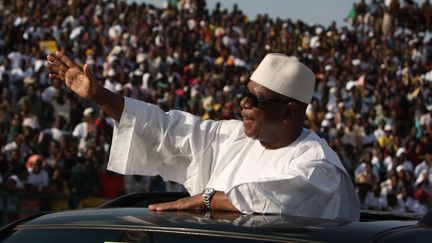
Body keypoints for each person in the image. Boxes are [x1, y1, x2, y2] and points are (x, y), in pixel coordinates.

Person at [47, 51, 359, 221]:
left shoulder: (319, 166)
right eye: (244, 93)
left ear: (289, 112)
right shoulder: (234, 137)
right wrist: (101, 96)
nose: (243, 103)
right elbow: (168, 130)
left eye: (256, 100)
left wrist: (205, 200)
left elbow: (281, 198)